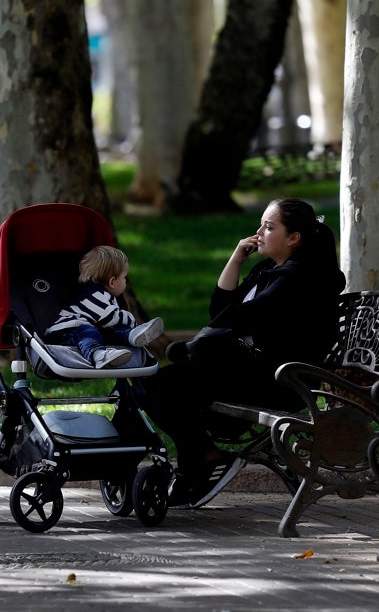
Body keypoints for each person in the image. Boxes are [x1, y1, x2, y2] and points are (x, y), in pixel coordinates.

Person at [137, 198, 346, 507]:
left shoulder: (300, 277)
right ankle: (203, 458)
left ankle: (202, 460)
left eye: (269, 227)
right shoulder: (268, 269)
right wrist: (236, 259)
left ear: (293, 238)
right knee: (152, 385)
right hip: (247, 369)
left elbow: (248, 316)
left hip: (277, 381)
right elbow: (220, 310)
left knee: (164, 388)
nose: (259, 232)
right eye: (260, 225)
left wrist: (199, 346)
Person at [45, 245, 165, 369]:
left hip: (89, 326)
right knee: (88, 332)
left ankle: (131, 336)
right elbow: (111, 318)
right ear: (112, 282)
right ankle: (99, 355)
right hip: (66, 330)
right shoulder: (94, 293)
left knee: (104, 331)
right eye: (124, 278)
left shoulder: (103, 294)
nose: (125, 281)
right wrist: (131, 320)